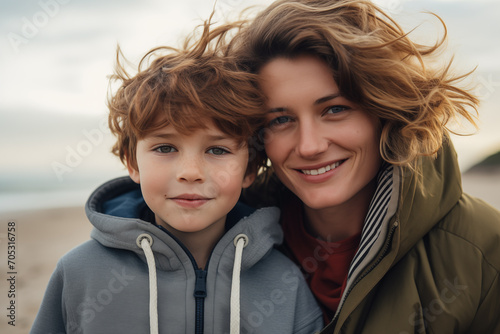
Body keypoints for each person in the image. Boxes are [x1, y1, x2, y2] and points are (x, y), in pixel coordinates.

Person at [30, 19, 324, 334]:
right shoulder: (79, 274)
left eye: (218, 150)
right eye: (166, 147)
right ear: (132, 163)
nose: (190, 173)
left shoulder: (286, 282)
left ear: (250, 169)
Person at [229, 0, 500, 333]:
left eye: (335, 110)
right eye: (282, 119)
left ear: (382, 111)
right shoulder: (225, 237)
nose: (310, 146)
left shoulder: (487, 247)